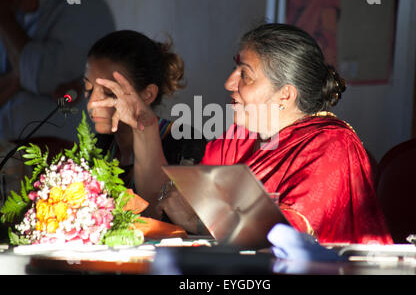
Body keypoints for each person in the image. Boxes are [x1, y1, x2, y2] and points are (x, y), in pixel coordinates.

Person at [90, 23, 393, 244]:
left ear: (285, 95)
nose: (228, 82)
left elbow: (285, 239)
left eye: (244, 74)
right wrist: (143, 122)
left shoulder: (331, 145)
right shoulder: (240, 137)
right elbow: (160, 203)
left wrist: (197, 221)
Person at [84, 30, 206, 191]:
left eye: (109, 92)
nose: (91, 104)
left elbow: (169, 212)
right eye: (87, 87)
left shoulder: (185, 142)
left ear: (148, 95)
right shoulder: (98, 146)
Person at [0, 0, 115, 142]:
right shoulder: (12, 6)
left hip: (60, 157)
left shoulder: (82, 3)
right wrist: (17, 78)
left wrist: (4, 19)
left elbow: (43, 77)